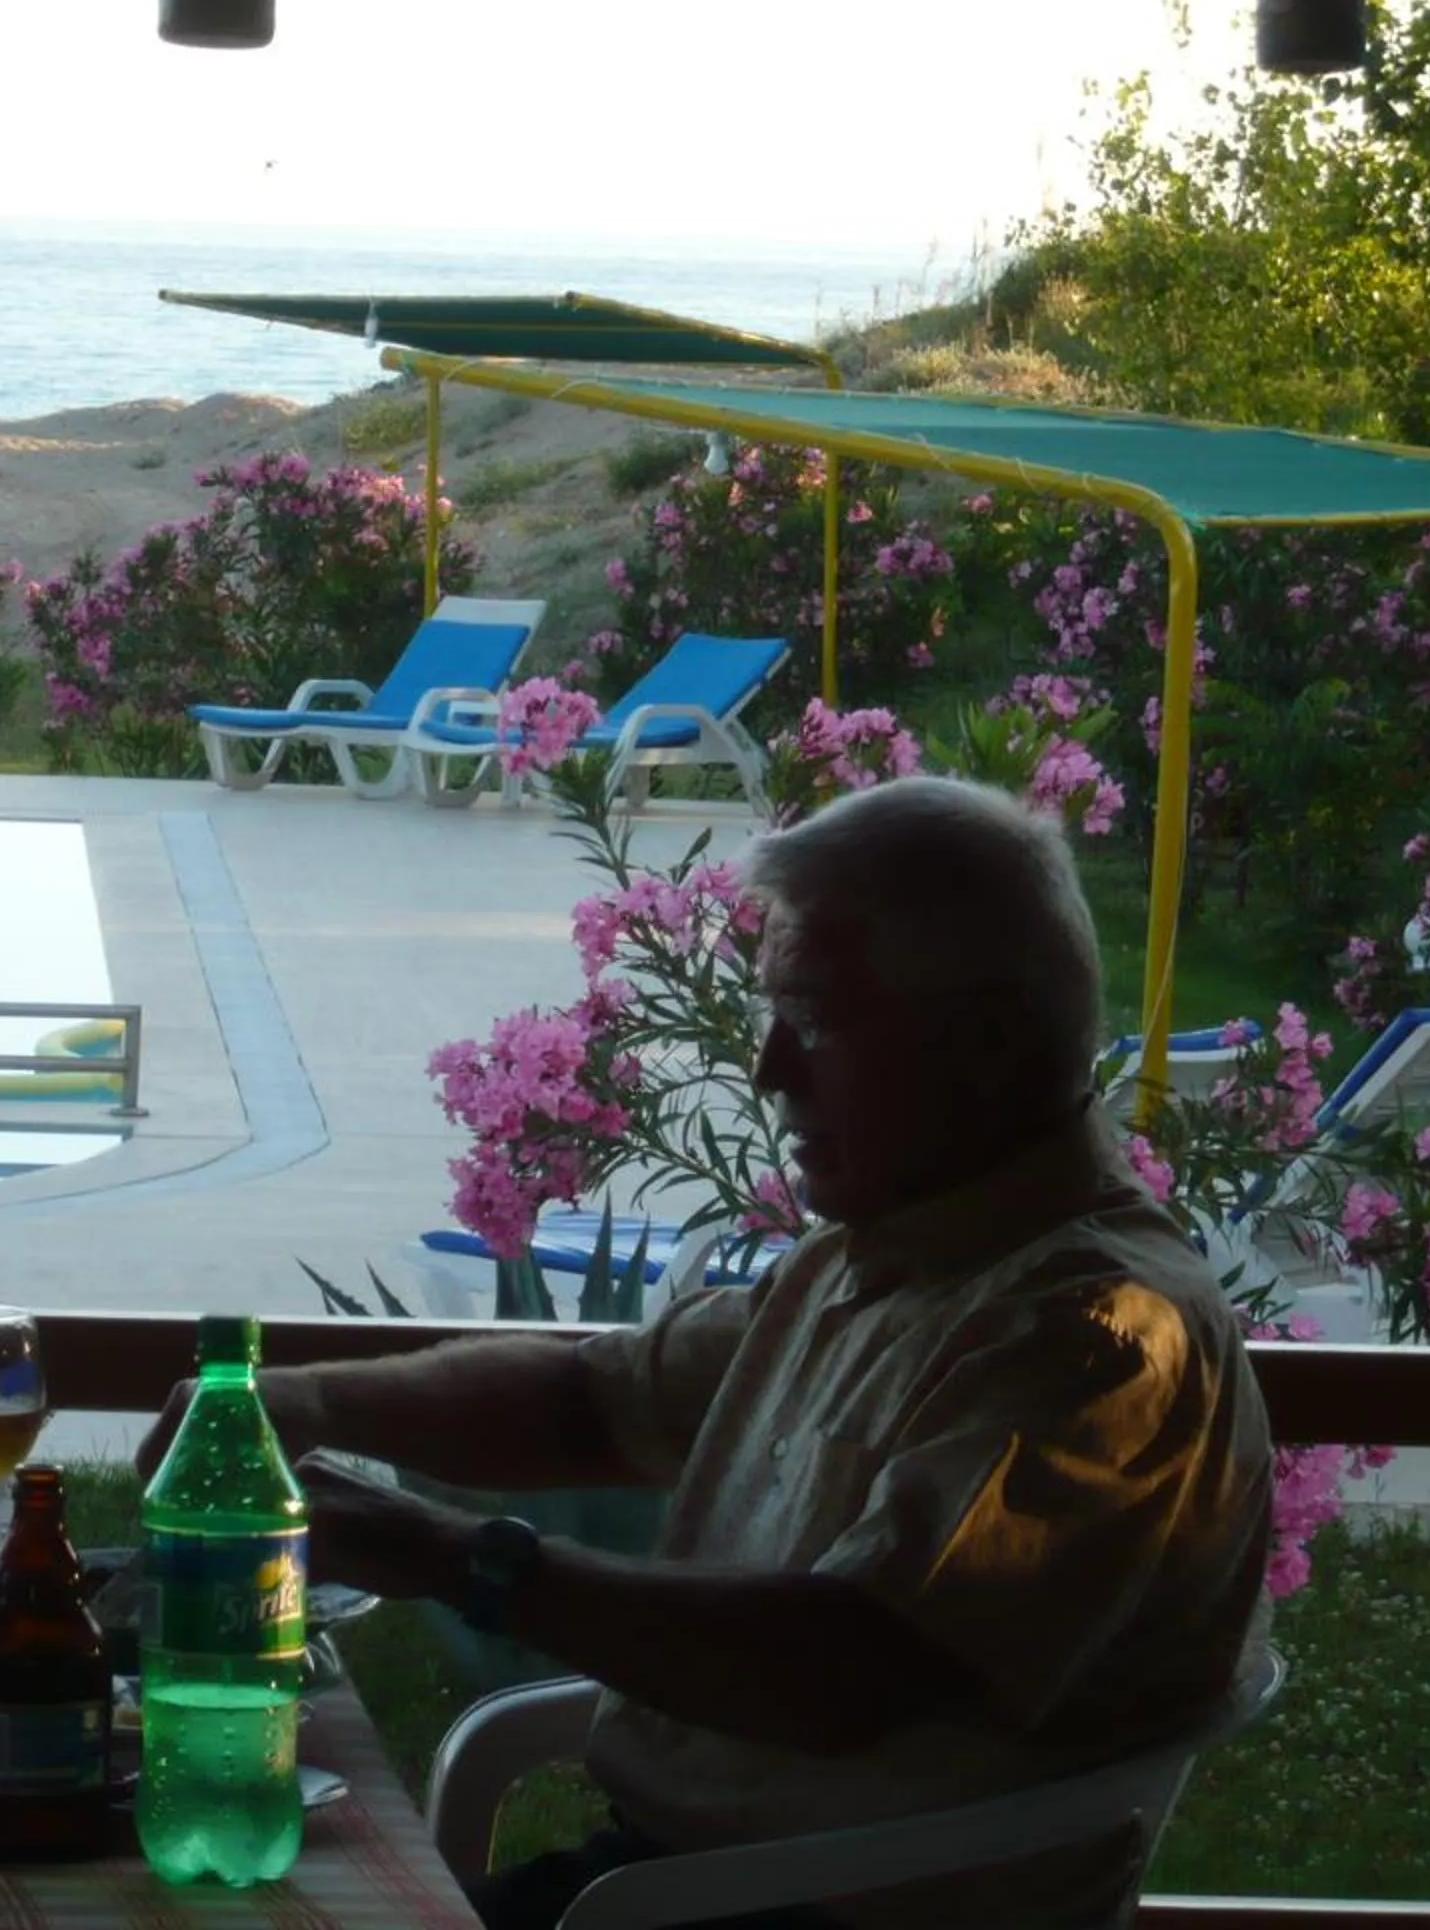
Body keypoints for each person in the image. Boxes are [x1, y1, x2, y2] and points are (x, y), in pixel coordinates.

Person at [140, 776, 1274, 1930]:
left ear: (982, 1043)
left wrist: (451, 1554)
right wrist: (300, 1401)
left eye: (819, 1019)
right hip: (669, 1882)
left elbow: (840, 1668)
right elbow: (593, 1402)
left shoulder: (1097, 1341)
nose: (774, 1067)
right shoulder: (888, 1252)